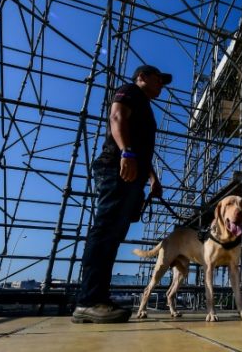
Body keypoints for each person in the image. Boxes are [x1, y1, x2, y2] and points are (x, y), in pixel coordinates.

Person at [72, 65, 172, 323]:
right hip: (116, 168)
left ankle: (98, 299)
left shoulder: (145, 105)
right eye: (158, 79)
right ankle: (88, 300)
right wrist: (126, 152)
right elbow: (116, 118)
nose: (161, 84)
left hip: (132, 175)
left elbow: (142, 149)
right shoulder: (129, 91)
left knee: (113, 236)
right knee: (105, 231)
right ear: (142, 77)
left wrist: (152, 178)